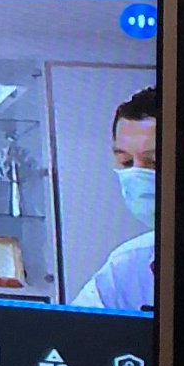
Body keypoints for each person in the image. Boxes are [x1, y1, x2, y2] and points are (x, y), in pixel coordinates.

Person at [72, 86, 157, 311]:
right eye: (126, 163)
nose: (137, 176)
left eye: (155, 162)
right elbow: (75, 329)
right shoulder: (129, 263)